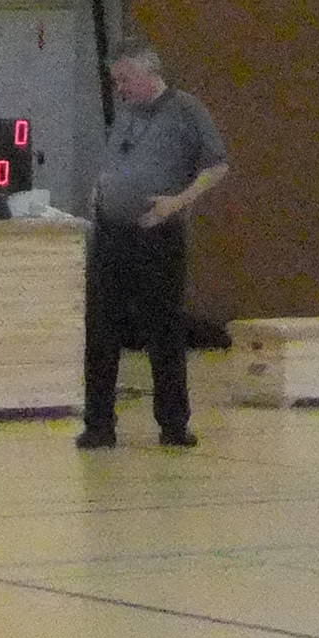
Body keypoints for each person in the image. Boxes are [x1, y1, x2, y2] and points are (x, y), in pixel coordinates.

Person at [78, 40, 229, 450]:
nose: (120, 89)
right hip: (112, 235)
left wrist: (177, 202)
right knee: (101, 330)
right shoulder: (127, 113)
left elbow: (217, 166)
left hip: (157, 235)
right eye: (116, 81)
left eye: (125, 80)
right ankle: (99, 424)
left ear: (149, 73)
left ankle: (174, 424)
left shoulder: (186, 110)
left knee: (163, 330)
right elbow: (117, 160)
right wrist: (101, 190)